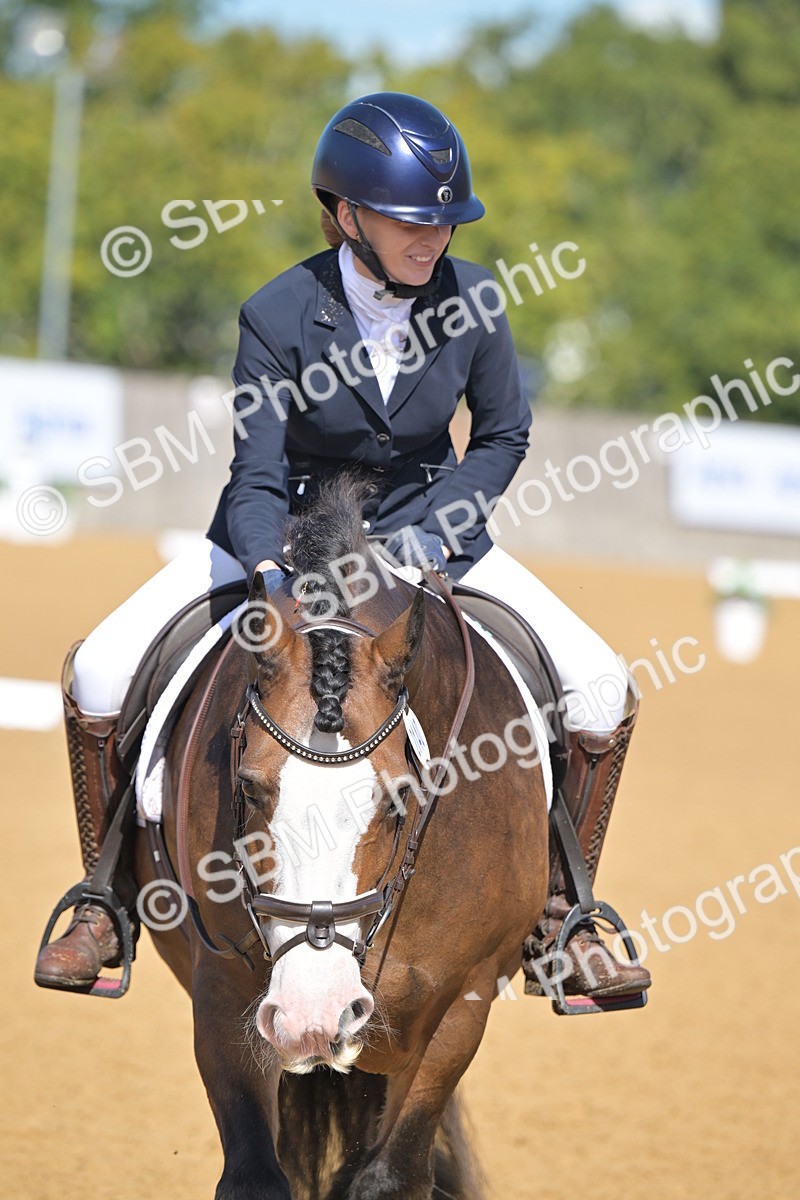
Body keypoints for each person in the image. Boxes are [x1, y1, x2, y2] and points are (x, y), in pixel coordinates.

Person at [35, 92, 650, 1002]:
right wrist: (270, 573)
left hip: (428, 528)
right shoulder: (276, 315)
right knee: (99, 670)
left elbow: (501, 440)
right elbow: (253, 471)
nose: (433, 237)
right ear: (345, 214)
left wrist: (429, 536)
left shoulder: (475, 299)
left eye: (445, 219)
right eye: (412, 219)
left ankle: (566, 914)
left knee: (600, 684)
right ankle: (105, 902)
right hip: (287, 529)